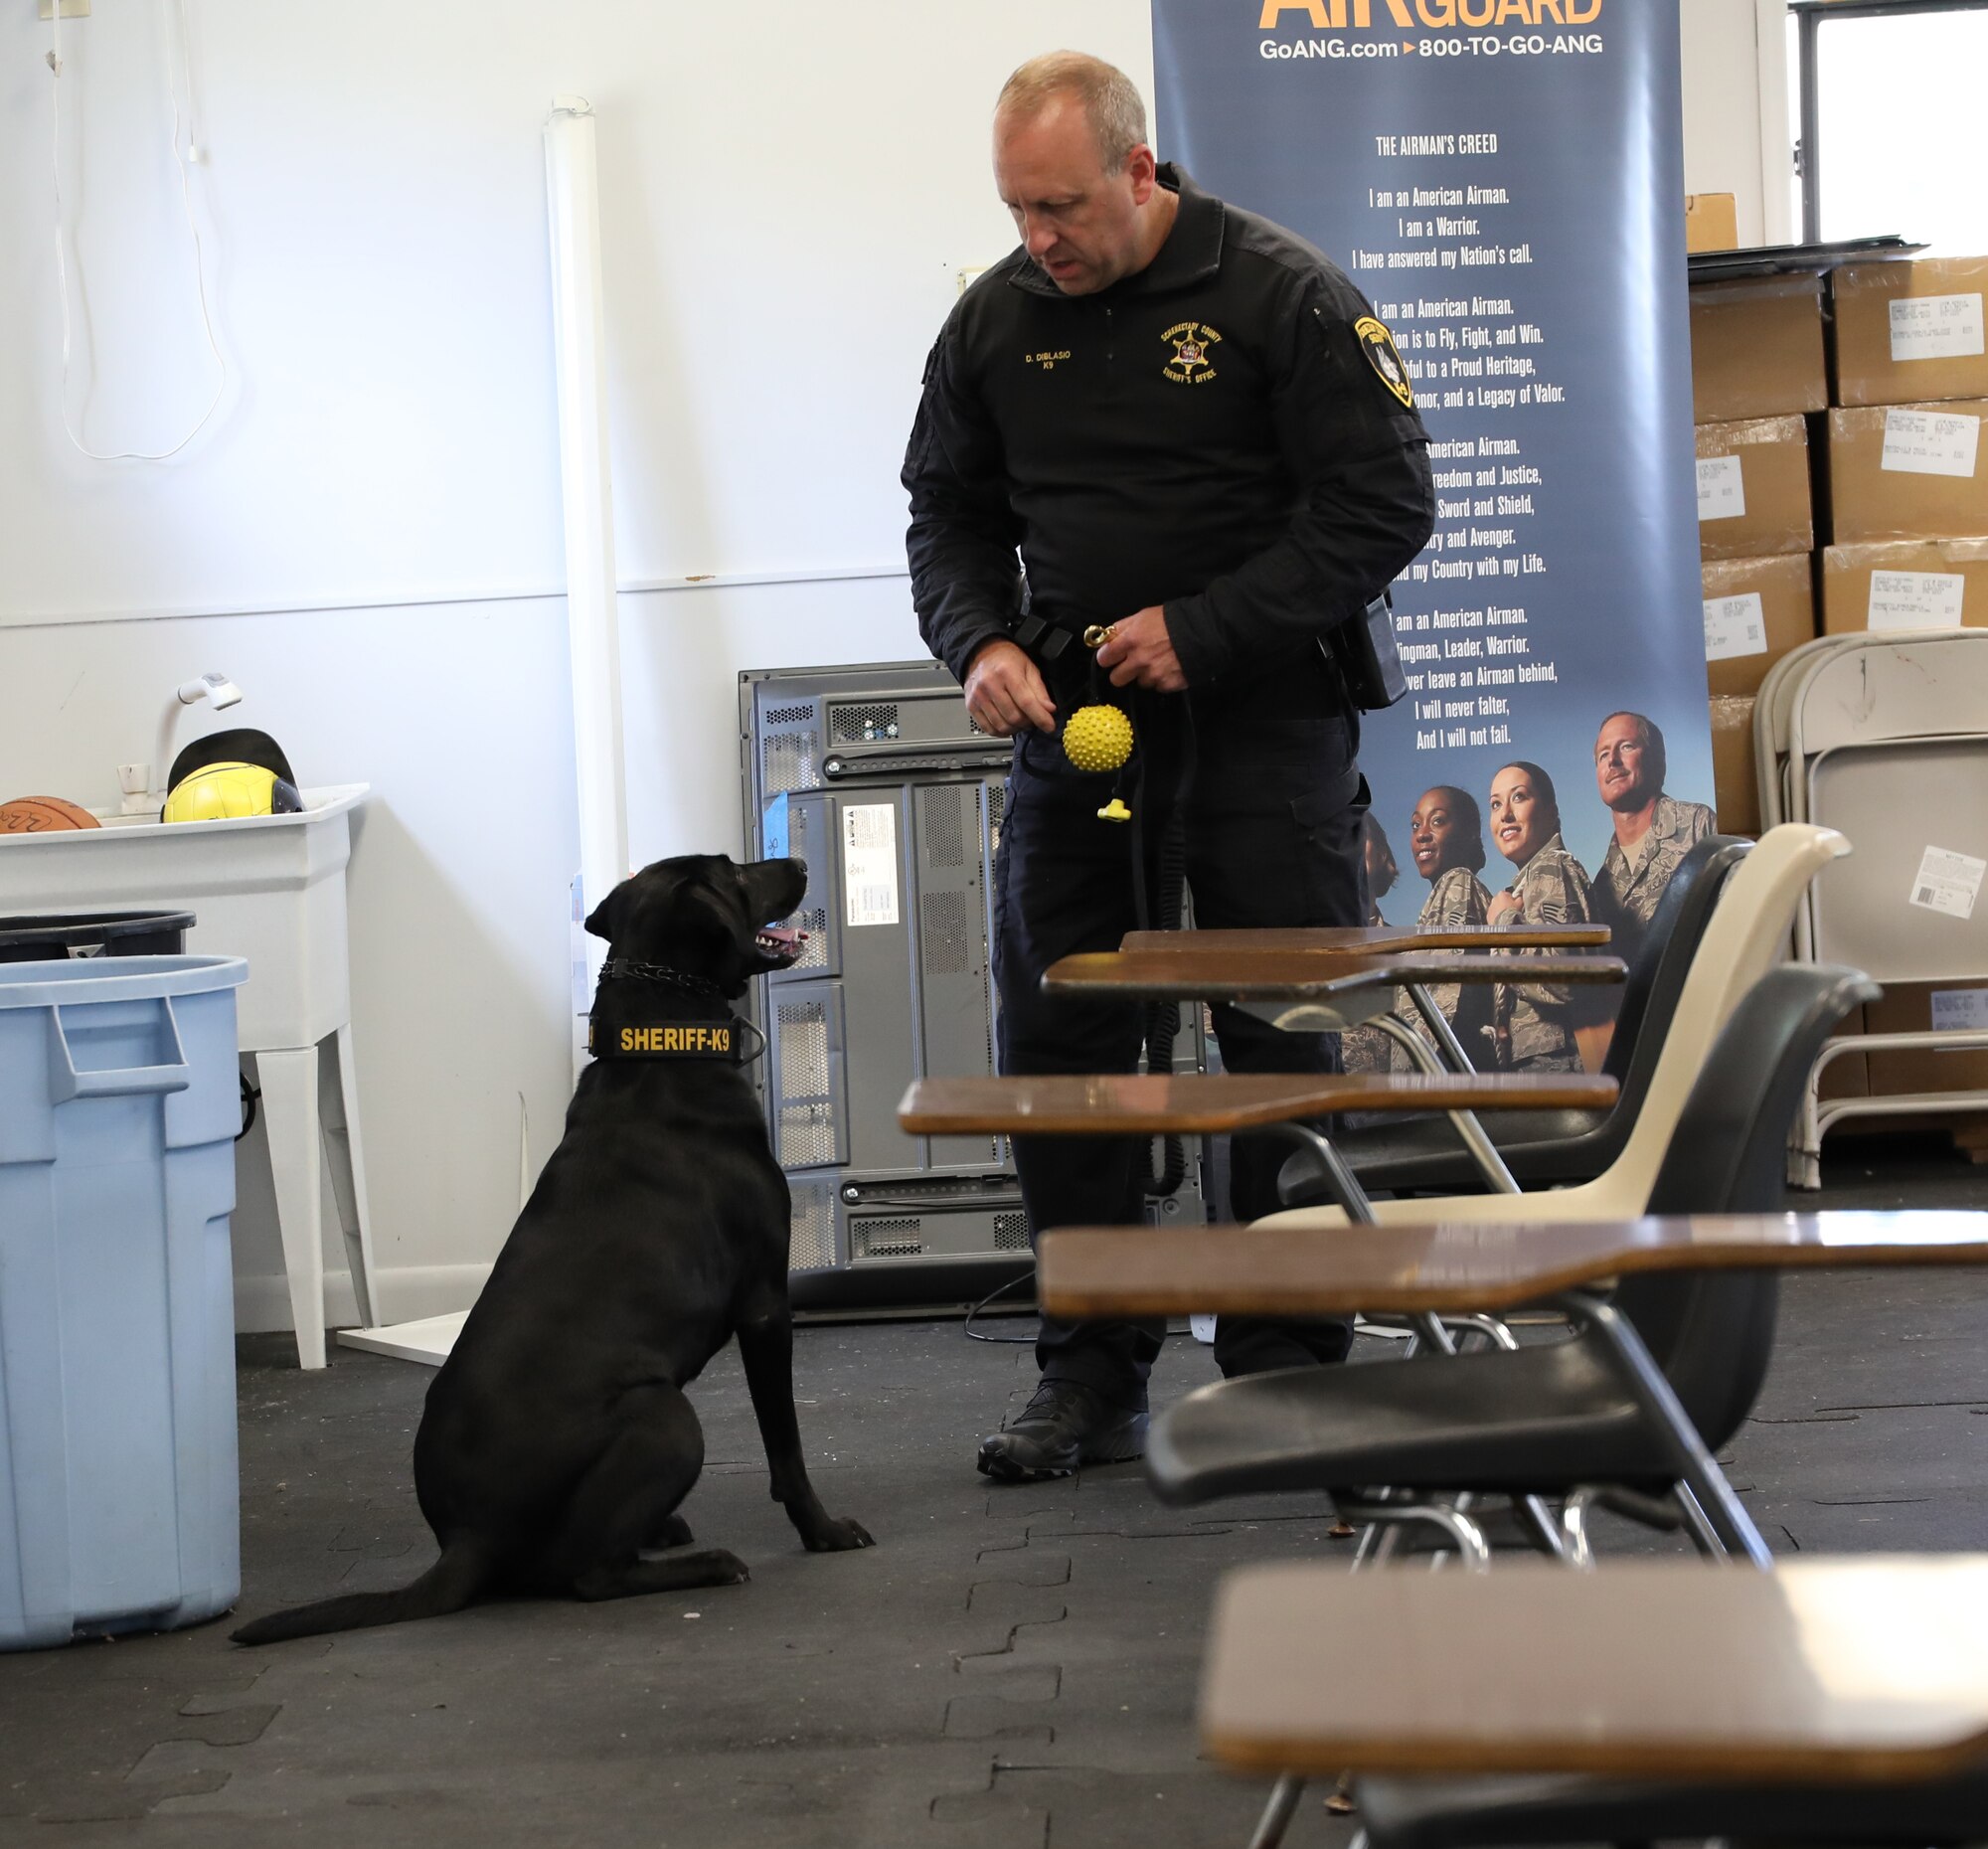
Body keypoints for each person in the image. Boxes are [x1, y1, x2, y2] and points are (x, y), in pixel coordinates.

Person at [903, 52, 1433, 1481]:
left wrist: (1206, 629)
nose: (1042, 240)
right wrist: (977, 643)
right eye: (1020, 210)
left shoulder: (1281, 293)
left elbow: (1385, 505)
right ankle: (1087, 1378)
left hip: (1266, 721)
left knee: (1274, 1045)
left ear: (1142, 171)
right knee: (1063, 1050)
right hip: (1080, 733)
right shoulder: (996, 323)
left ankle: (1283, 1372)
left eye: (1064, 206)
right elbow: (943, 514)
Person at [1485, 761, 1596, 1073]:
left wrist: (1504, 919)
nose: (1505, 814)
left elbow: (1563, 979)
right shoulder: (1528, 879)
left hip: (1560, 1066)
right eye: (1495, 804)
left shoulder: (1552, 866)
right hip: (1540, 1067)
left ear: (1550, 812)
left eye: (1518, 797)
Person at [1590, 712, 1716, 970]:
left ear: (1657, 760)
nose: (1612, 761)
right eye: (1603, 755)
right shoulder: (1602, 885)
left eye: (1626, 747)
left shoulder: (1697, 826)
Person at [1404, 785, 1495, 1065]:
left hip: (1440, 1075)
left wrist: (1422, 1077)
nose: (1421, 834)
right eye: (1416, 824)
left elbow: (1450, 1003)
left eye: (1438, 821)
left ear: (1469, 833)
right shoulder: (1439, 897)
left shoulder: (1459, 881)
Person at [1342, 814, 1404, 1077]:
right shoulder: (1291, 946)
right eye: (1335, 839)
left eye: (1357, 833)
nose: (1347, 845)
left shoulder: (1404, 950)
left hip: (1387, 1110)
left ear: (1381, 853)